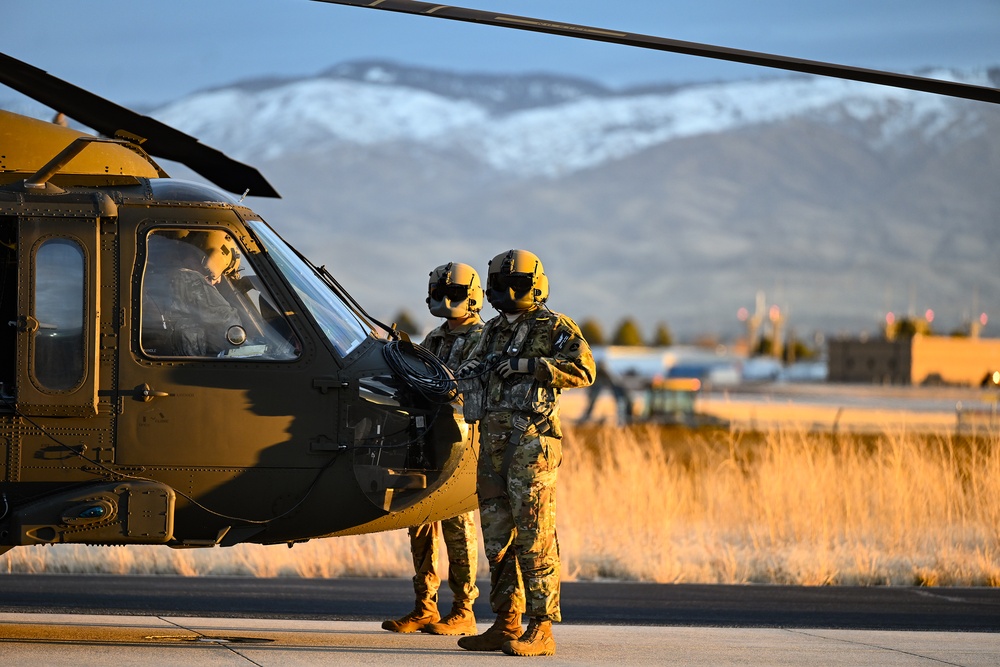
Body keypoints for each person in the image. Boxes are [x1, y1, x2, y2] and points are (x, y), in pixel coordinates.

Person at [456, 249, 595, 657]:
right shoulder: (491, 330)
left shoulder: (555, 326)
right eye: (500, 283)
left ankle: (542, 627)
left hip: (532, 446)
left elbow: (584, 368)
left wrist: (531, 365)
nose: (507, 291)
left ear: (535, 284)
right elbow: (469, 371)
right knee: (497, 537)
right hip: (492, 444)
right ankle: (506, 622)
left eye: (515, 283)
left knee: (535, 534)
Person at [381, 262, 484, 636]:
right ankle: (425, 605)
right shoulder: (435, 339)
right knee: (420, 522)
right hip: (428, 439)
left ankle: (464, 608)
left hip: (463, 440)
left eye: (453, 293)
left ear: (472, 297)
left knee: (458, 525)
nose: (444, 300)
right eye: (438, 293)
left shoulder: (484, 338)